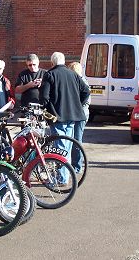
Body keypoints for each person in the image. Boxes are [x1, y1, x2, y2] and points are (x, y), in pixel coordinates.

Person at [40, 52, 90, 184]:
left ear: (52, 63)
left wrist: (46, 109)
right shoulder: (73, 74)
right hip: (72, 116)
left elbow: (44, 98)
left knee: (60, 148)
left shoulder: (50, 74)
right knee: (66, 146)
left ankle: (62, 178)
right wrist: (77, 104)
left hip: (58, 117)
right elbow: (86, 91)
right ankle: (65, 175)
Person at [68, 62, 91, 173]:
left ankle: (77, 166)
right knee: (75, 139)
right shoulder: (81, 81)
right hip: (79, 113)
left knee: (76, 139)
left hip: (80, 114)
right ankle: (75, 165)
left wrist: (76, 107)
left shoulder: (81, 82)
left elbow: (85, 99)